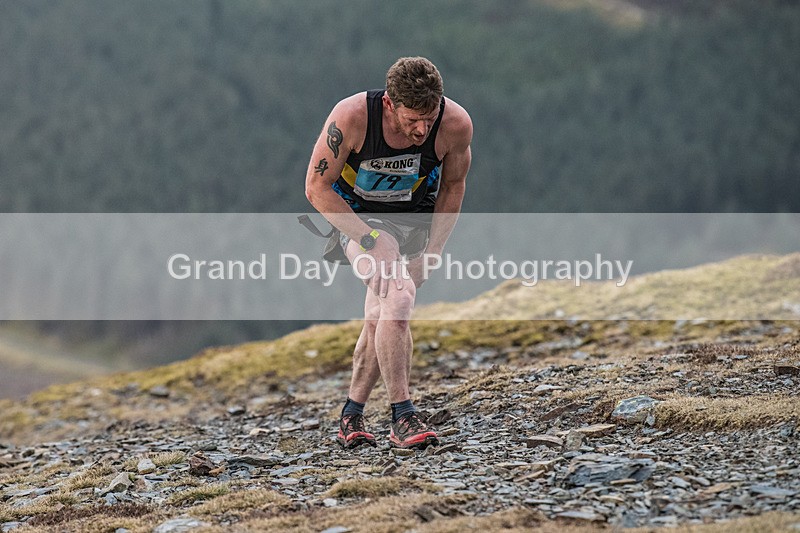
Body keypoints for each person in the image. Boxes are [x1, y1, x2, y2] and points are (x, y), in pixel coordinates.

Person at [304, 57, 473, 449]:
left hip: (414, 221)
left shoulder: (455, 125)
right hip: (357, 219)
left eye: (428, 118)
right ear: (389, 105)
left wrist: (433, 252)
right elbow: (316, 188)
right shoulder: (352, 117)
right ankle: (402, 415)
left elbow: (453, 187)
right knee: (398, 295)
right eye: (412, 119)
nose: (420, 129)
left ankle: (351, 414)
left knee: (380, 311)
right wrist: (369, 239)